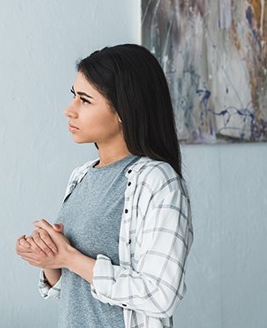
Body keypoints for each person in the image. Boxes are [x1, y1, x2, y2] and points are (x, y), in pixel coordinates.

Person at [15, 44, 193, 328]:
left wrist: (70, 257)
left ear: (124, 109)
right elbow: (73, 290)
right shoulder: (81, 176)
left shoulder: (157, 181)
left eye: (85, 100)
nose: (69, 111)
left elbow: (161, 295)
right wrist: (49, 258)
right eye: (74, 97)